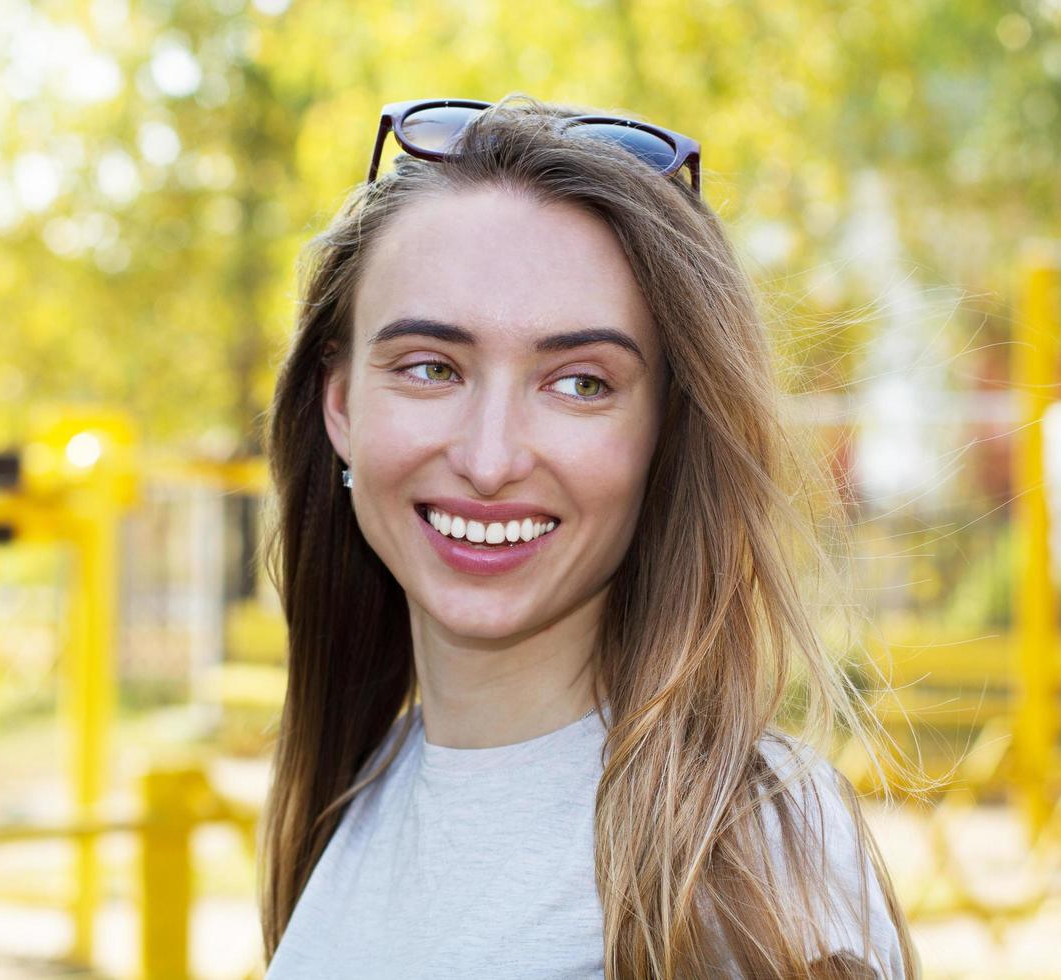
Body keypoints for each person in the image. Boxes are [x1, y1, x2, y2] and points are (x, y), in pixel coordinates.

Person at [256, 94, 920, 979]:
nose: (489, 459)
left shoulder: (741, 862)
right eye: (431, 368)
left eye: (580, 384)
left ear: (666, 434)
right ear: (341, 406)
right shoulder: (363, 786)